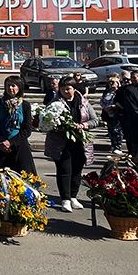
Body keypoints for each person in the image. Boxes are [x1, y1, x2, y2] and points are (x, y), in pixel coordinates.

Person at [44, 77, 96, 212]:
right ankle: (65, 199)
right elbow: (47, 121)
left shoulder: (84, 103)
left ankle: (73, 196)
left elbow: (95, 120)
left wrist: (84, 125)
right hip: (62, 143)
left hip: (80, 141)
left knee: (77, 170)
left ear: (74, 89)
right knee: (64, 170)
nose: (65, 91)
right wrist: (59, 126)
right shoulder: (55, 103)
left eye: (68, 89)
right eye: (62, 89)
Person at [0, 76, 36, 174]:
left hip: (19, 145)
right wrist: (2, 141)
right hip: (2, 146)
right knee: (3, 178)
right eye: (8, 85)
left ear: (19, 87)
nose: (10, 88)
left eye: (13, 86)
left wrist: (11, 142)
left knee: (24, 178)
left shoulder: (25, 105)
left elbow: (27, 129)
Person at [99, 76, 124, 155]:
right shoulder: (107, 92)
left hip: (117, 114)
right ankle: (113, 145)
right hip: (108, 114)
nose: (112, 84)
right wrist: (105, 107)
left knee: (117, 130)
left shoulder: (121, 91)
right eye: (110, 82)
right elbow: (102, 101)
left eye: (114, 82)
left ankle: (118, 146)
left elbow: (122, 102)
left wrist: (114, 106)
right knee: (111, 130)